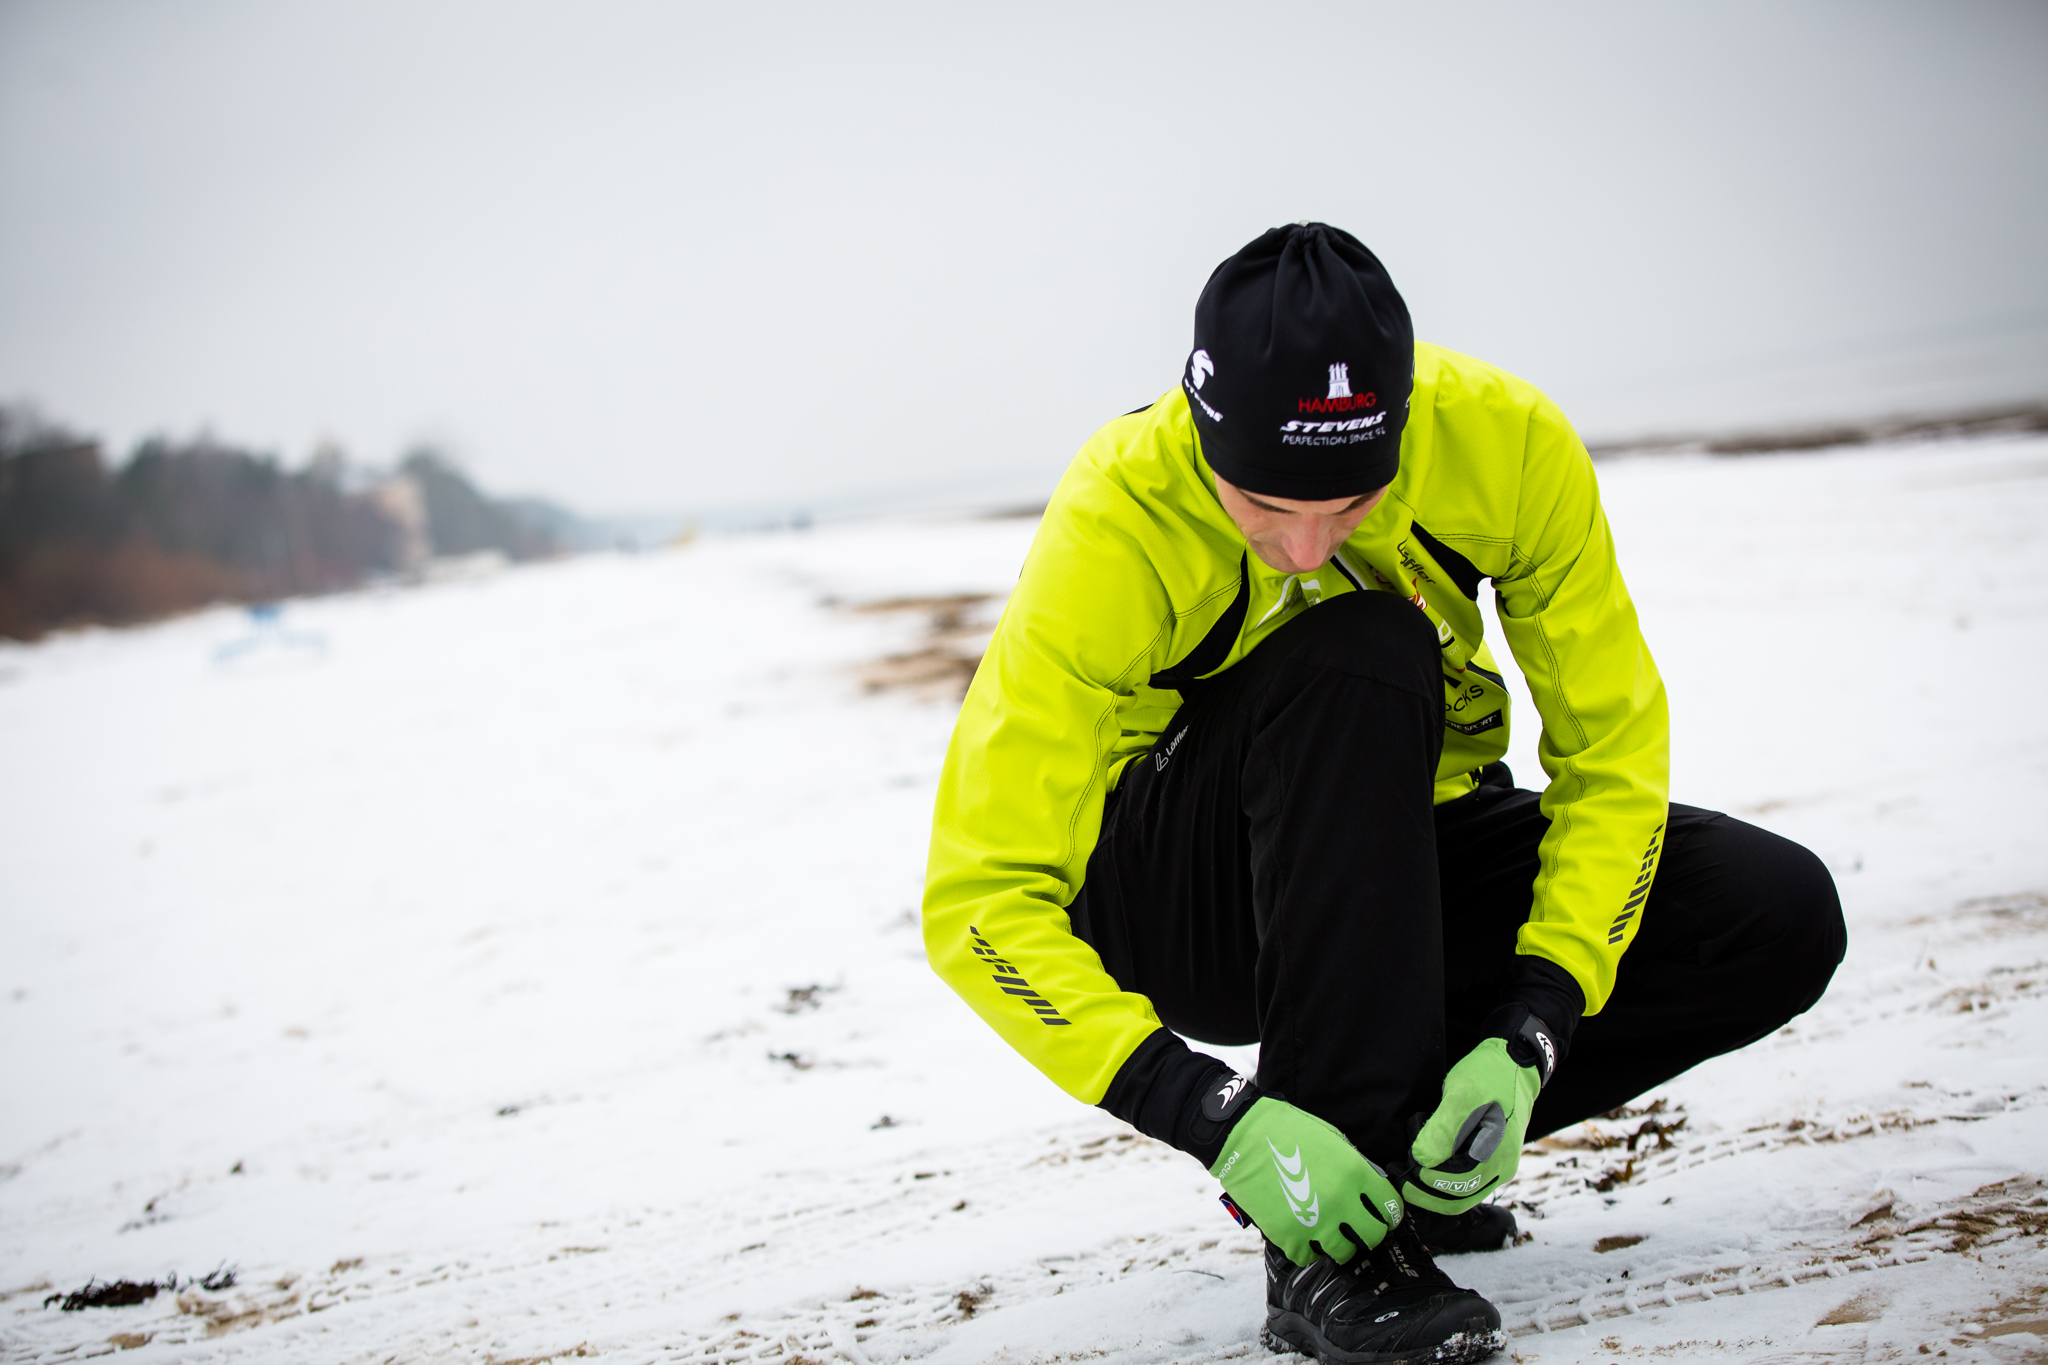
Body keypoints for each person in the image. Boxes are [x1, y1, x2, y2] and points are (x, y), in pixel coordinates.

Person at [922, 223, 1845, 1364]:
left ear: (1404, 429)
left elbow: (1609, 756)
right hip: (1177, 895)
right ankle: (1330, 1256)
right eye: (1260, 508)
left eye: (1348, 507)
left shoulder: (1505, 444)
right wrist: (1207, 1114)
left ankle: (1398, 1169)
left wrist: (1535, 1025)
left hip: (1389, 853)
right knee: (1357, 643)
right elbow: (979, 897)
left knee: (1771, 911)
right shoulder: (1116, 515)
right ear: (1201, 434)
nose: (1302, 548)